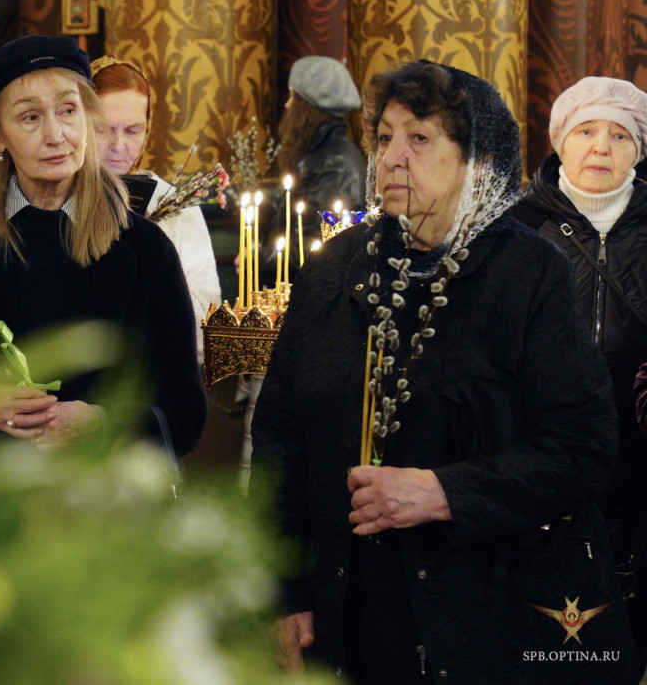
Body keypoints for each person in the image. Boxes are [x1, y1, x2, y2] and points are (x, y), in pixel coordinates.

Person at [252, 61, 633, 683]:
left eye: (420, 138)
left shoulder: (530, 272)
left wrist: (446, 492)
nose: (392, 158)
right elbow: (279, 440)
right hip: (347, 609)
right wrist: (281, 591)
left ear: (475, 162)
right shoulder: (333, 269)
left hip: (487, 608)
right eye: (384, 138)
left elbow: (582, 448)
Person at [0, 35, 207, 456]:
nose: (55, 135)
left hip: (100, 487)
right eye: (30, 117)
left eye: (68, 110)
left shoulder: (145, 249)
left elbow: (184, 411)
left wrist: (104, 422)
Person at [513, 76, 647, 669]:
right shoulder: (518, 225)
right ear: (559, 140)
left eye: (619, 136)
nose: (600, 147)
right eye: (586, 131)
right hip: (543, 446)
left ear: (637, 151)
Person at [91, 55, 222, 358]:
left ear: (148, 128)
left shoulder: (174, 208)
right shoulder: (56, 198)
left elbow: (205, 319)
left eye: (132, 130)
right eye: (104, 129)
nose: (118, 146)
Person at [277, 56, 367, 215]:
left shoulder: (336, 166)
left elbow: (310, 227)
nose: (287, 104)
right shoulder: (321, 152)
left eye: (293, 97)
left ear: (307, 106)